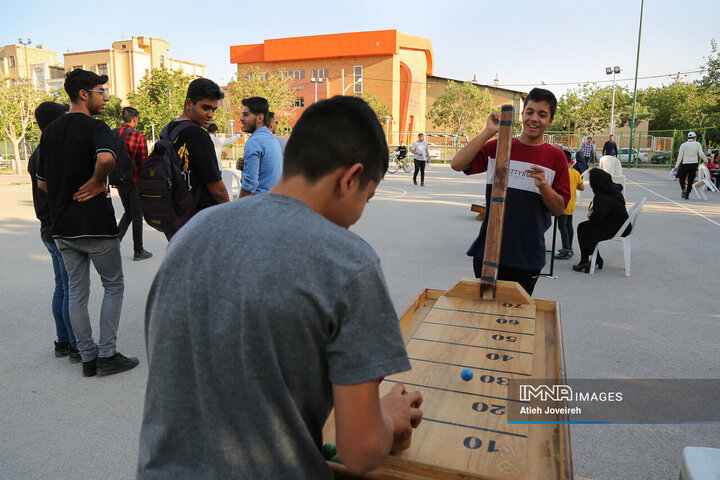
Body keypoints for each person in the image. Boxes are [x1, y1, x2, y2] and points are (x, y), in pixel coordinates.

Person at [137, 95, 423, 479]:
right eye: (365, 198)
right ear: (350, 178)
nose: (358, 216)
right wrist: (386, 417)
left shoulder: (193, 233)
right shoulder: (349, 262)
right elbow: (360, 451)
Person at [36, 69, 138, 377]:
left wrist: (66, 191)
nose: (106, 97)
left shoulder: (50, 132)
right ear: (84, 94)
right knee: (113, 285)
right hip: (95, 223)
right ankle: (108, 354)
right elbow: (107, 159)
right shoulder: (96, 127)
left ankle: (88, 358)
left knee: (77, 291)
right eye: (101, 92)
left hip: (63, 227)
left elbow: (42, 184)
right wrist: (96, 182)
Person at [451, 88, 571, 295]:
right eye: (530, 112)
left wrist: (544, 186)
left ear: (550, 120)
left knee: (515, 319)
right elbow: (457, 163)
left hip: (527, 257)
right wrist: (489, 131)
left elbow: (559, 209)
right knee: (484, 315)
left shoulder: (556, 157)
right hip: (488, 252)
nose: (534, 119)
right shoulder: (501, 147)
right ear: (522, 115)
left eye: (542, 115)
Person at [28, 101, 81, 363]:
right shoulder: (49, 152)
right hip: (58, 228)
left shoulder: (39, 150)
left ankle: (63, 341)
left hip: (48, 229)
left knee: (62, 287)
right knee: (70, 288)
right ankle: (74, 344)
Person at [161, 78, 229, 229]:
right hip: (198, 219)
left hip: (174, 213)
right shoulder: (197, 134)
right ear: (189, 103)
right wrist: (229, 214)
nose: (210, 114)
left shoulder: (167, 130)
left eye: (214, 109)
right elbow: (217, 189)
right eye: (206, 108)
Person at [572, 168, 630, 273]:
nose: (589, 182)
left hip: (618, 227)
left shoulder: (601, 197)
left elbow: (596, 221)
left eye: (590, 179)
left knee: (584, 228)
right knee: (585, 227)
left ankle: (586, 260)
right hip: (623, 224)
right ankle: (596, 259)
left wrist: (590, 214)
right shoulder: (613, 189)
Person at [115, 107, 152, 261]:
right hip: (135, 181)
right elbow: (144, 162)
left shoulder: (113, 134)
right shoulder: (138, 136)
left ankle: (114, 242)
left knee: (128, 212)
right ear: (134, 119)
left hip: (119, 180)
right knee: (137, 215)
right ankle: (139, 250)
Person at [235, 96, 283, 197]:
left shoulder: (254, 142)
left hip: (259, 205)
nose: (241, 118)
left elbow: (249, 187)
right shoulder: (271, 138)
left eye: (246, 114)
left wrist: (238, 210)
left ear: (260, 118)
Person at [554, 150, 585, 260]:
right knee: (569, 226)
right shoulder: (575, 173)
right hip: (571, 204)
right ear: (571, 161)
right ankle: (569, 247)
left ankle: (566, 249)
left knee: (562, 227)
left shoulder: (560, 172)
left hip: (562, 204)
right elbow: (581, 187)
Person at [673, 131, 707, 199]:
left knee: (681, 177)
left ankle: (683, 188)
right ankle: (687, 195)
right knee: (690, 180)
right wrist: (705, 160)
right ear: (695, 138)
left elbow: (680, 157)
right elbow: (701, 153)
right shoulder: (697, 144)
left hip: (685, 164)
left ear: (687, 138)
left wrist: (676, 166)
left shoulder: (683, 145)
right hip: (694, 164)